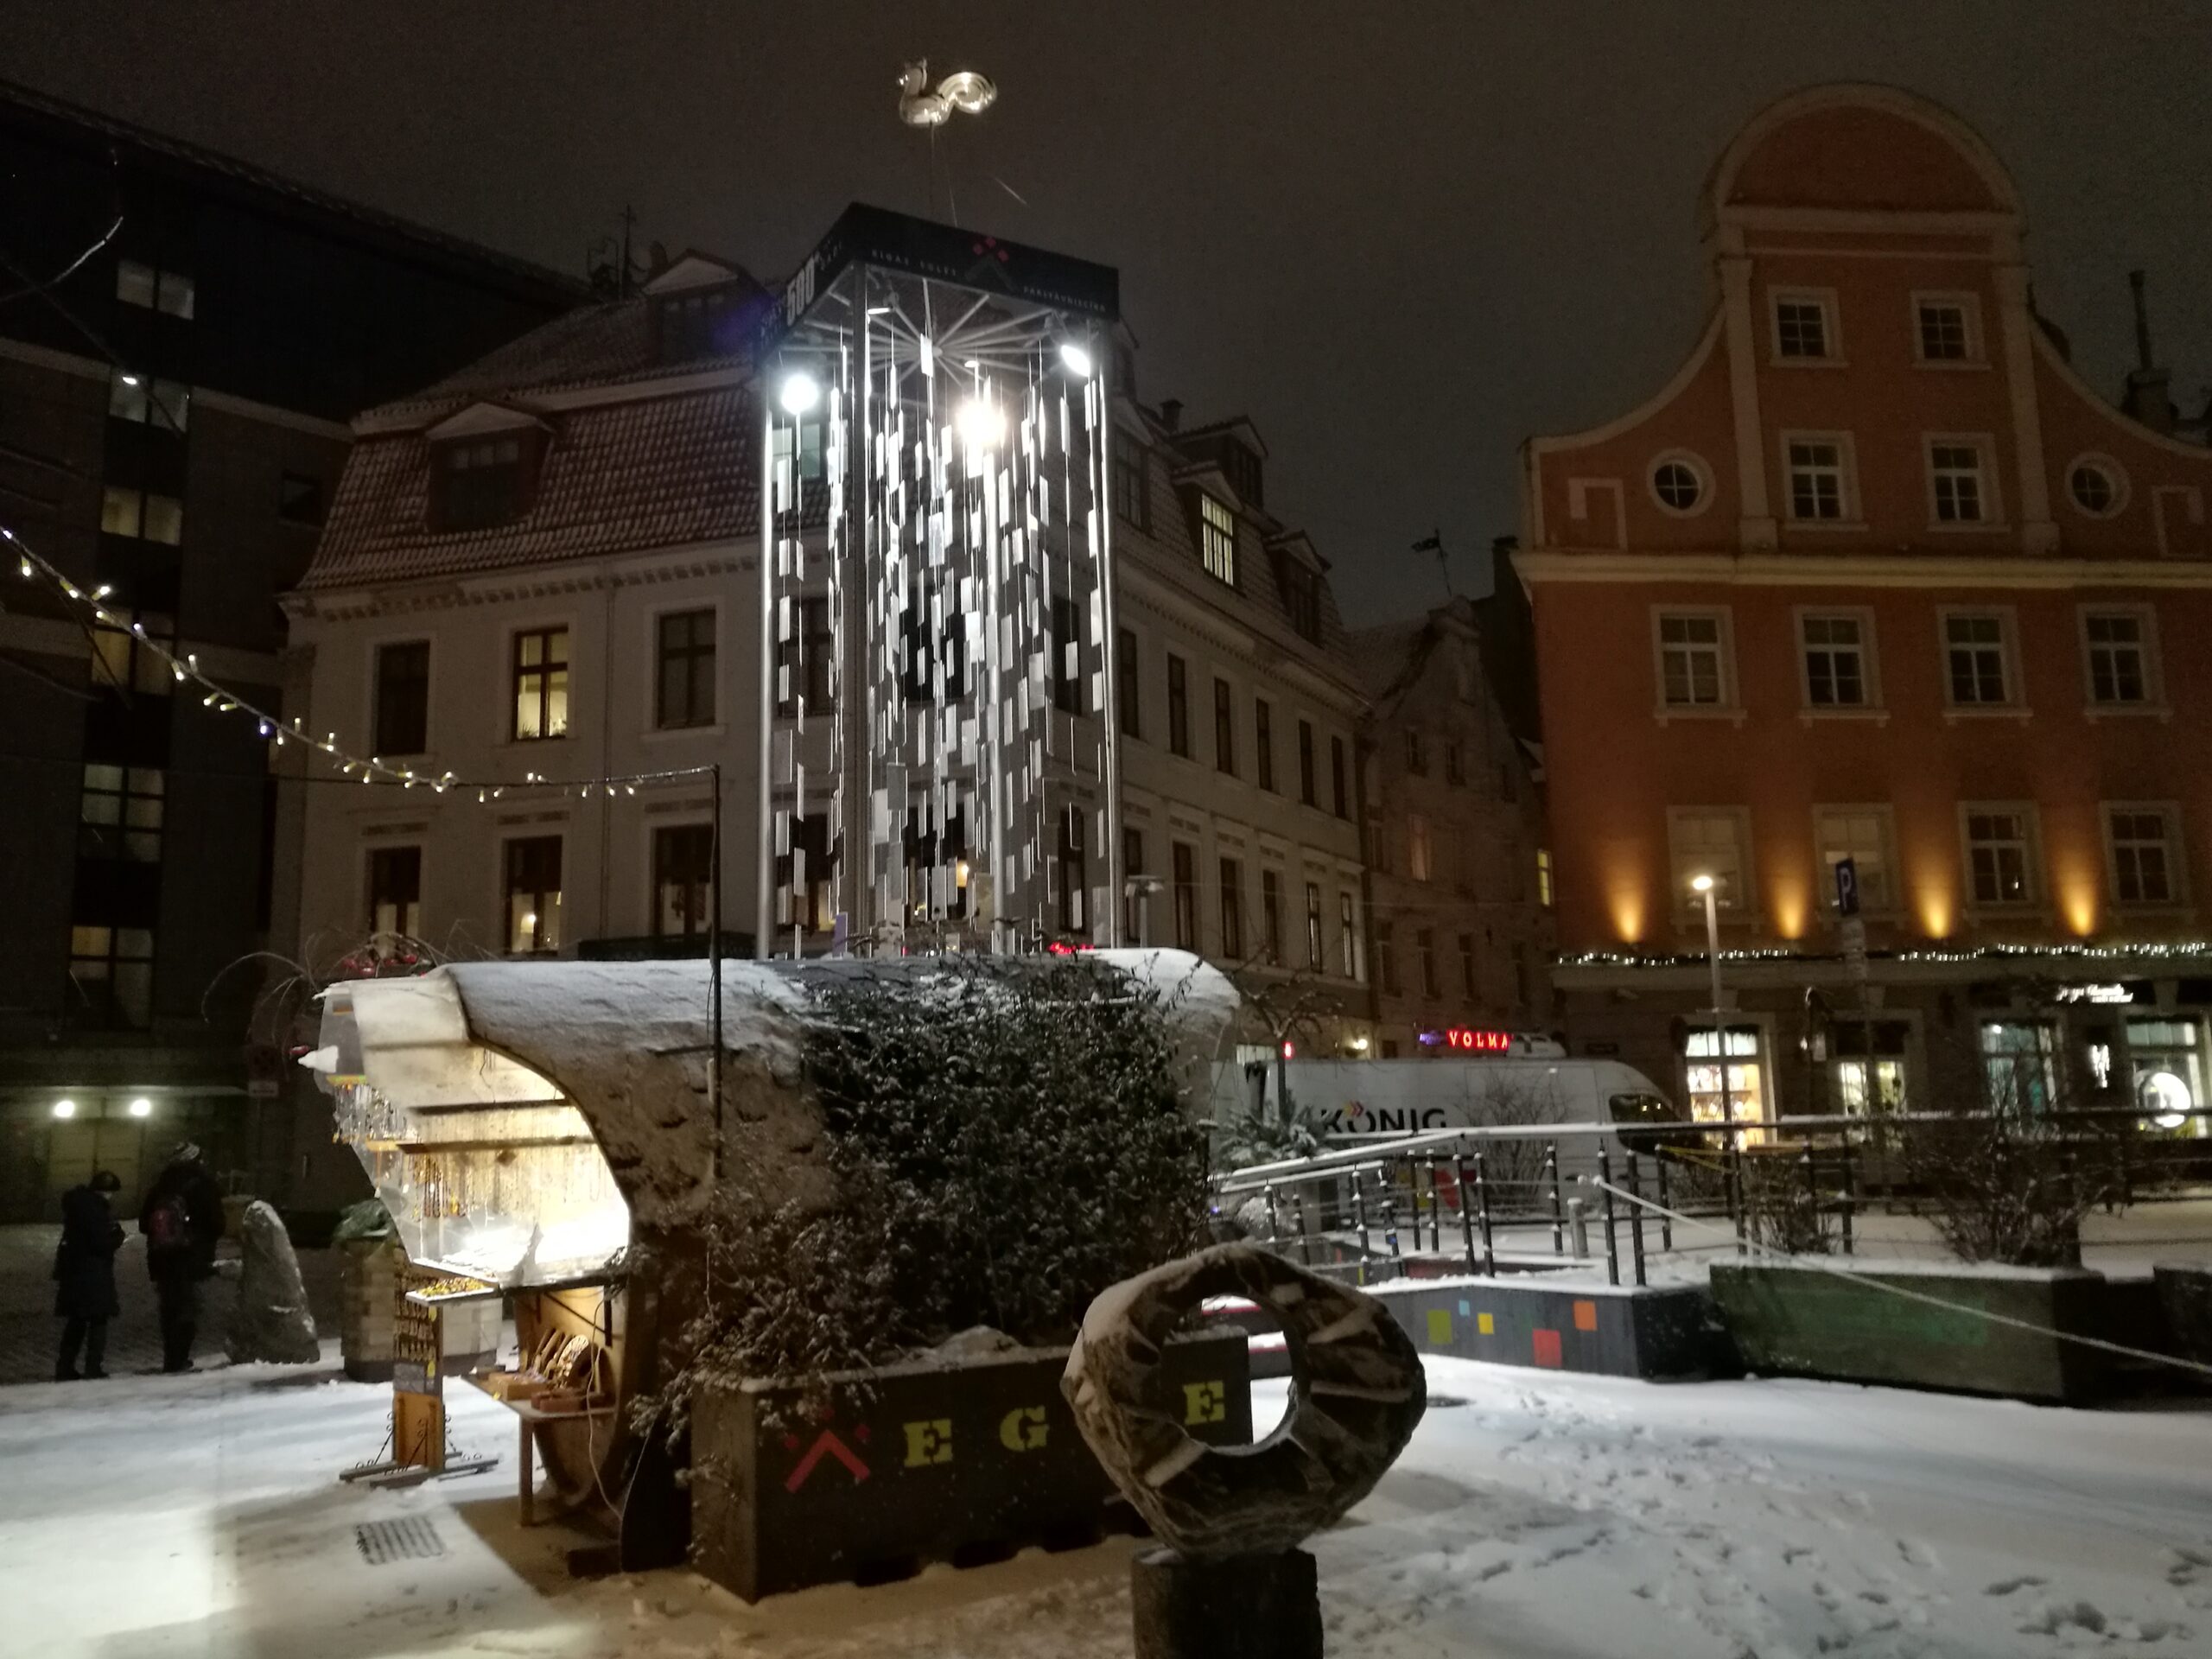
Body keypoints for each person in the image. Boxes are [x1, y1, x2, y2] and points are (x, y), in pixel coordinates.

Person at [141, 1142, 225, 1373]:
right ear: (196, 1160)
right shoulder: (203, 1185)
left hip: (161, 1258)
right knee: (189, 1307)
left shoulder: (160, 1186)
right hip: (191, 1256)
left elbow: (143, 1223)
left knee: (168, 1308)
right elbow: (217, 1223)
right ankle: (180, 1358)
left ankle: (170, 1357)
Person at [53, 1170, 125, 1381]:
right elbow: (100, 1243)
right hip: (94, 1272)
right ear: (105, 1191)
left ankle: (65, 1366)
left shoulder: (77, 1206)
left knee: (76, 1321)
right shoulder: (95, 1209)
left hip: (75, 1271)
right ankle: (93, 1367)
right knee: (98, 1319)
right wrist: (117, 1237)